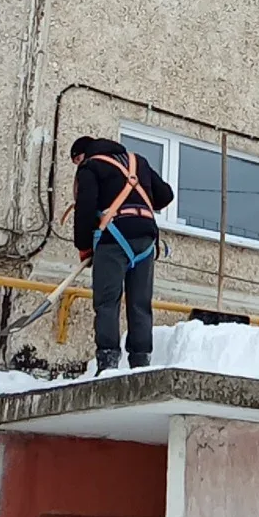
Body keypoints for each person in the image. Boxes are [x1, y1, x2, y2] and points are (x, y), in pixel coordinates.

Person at [70, 136, 174, 374]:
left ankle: (108, 361)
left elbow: (85, 208)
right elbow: (165, 195)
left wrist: (84, 246)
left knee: (107, 301)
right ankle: (140, 362)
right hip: (146, 240)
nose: (78, 165)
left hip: (114, 237)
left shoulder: (91, 166)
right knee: (140, 303)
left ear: (83, 154)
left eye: (76, 160)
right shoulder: (139, 162)